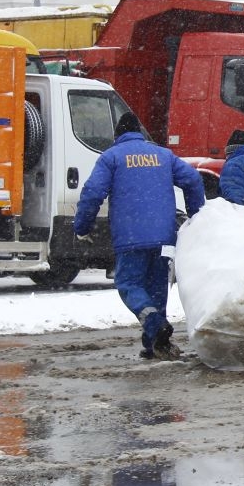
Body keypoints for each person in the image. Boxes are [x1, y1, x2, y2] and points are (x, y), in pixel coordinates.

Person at [73, 112, 205, 360]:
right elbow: (193, 179)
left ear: (117, 135)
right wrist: (195, 214)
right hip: (165, 237)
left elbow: (93, 193)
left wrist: (82, 226)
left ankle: (155, 325)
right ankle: (155, 344)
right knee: (156, 289)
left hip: (131, 235)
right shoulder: (164, 155)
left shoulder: (111, 157)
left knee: (129, 284)